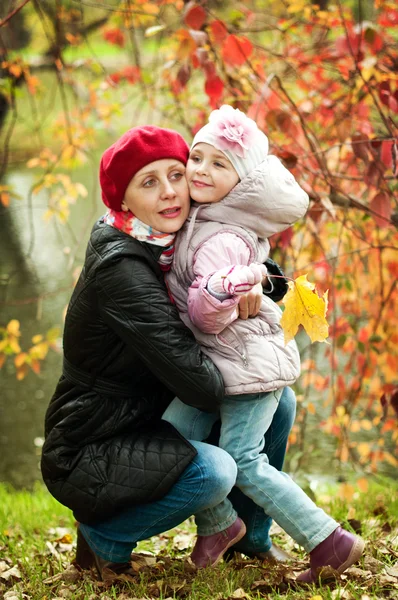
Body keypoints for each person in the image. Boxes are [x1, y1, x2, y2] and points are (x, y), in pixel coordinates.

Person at [40, 125, 296, 581]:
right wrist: (230, 313)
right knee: (215, 470)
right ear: (122, 200)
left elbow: (263, 276)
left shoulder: (170, 242)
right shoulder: (122, 266)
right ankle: (103, 539)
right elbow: (199, 384)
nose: (170, 193)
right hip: (96, 438)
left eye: (176, 174)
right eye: (149, 182)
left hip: (146, 412)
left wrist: (256, 281)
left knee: (279, 401)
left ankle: (252, 539)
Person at [163, 105, 365, 582]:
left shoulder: (221, 234)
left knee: (243, 460)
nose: (202, 171)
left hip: (248, 366)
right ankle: (219, 525)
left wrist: (226, 288)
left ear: (242, 181)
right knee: (173, 437)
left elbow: (207, 317)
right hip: (227, 363)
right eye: (197, 157)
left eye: (220, 164)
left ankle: (329, 542)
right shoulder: (206, 215)